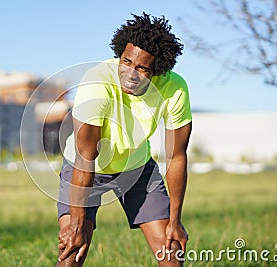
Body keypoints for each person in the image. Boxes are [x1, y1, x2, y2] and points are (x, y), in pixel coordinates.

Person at [56, 12, 192, 267]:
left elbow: (177, 156)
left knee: (171, 252)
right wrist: (76, 223)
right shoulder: (97, 81)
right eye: (126, 61)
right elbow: (86, 156)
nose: (130, 73)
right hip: (86, 168)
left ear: (158, 71)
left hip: (137, 168)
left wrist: (175, 220)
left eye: (142, 68)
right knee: (73, 251)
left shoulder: (174, 89)